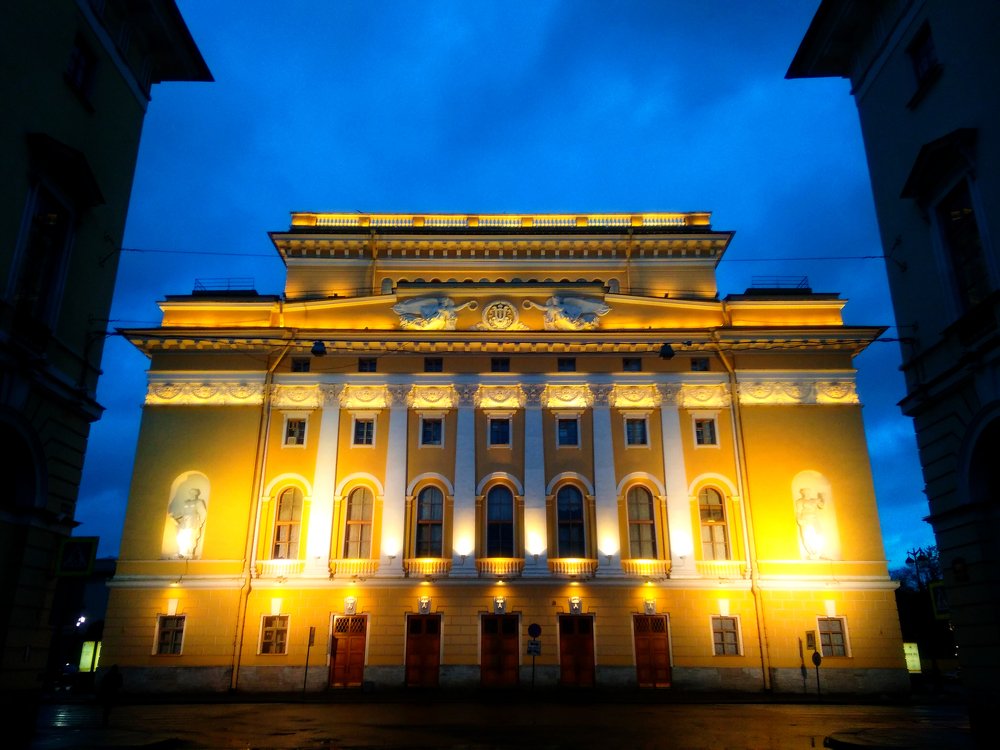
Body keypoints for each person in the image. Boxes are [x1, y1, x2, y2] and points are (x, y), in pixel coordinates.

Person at [172, 487, 207, 558]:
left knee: (190, 537)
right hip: (184, 523)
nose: (191, 494)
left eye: (193, 492)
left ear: (196, 494)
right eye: (190, 492)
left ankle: (189, 552)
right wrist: (173, 516)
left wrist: (200, 523)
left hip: (192, 522)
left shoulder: (198, 502)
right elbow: (181, 513)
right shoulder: (186, 503)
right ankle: (182, 552)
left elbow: (203, 513)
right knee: (180, 537)